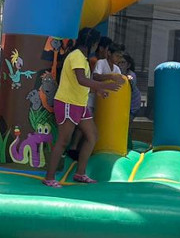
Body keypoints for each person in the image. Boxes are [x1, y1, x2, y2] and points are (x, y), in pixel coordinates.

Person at [42, 27, 121, 188]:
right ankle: (49, 178)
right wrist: (104, 86)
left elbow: (82, 83)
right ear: (92, 43)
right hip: (67, 103)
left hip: (79, 104)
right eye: (97, 44)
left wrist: (98, 90)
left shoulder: (82, 58)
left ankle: (80, 173)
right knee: (63, 141)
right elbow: (81, 79)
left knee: (92, 136)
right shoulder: (77, 56)